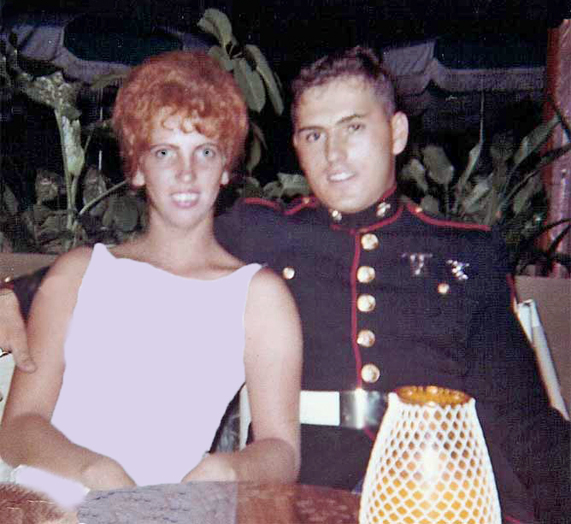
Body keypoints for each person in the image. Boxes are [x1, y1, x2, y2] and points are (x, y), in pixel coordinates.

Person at [1, 47, 568, 523]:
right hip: (315, 499)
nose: (335, 155)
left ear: (396, 132)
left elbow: (522, 419)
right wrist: (14, 291)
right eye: (314, 136)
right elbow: (148, 254)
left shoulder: (465, 253)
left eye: (353, 129)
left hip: (438, 492)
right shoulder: (264, 232)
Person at [0, 51, 302, 507]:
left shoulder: (257, 296)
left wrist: (226, 468)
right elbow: (20, 427)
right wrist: (94, 469)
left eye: (205, 152)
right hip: (41, 502)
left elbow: (282, 451)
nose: (187, 173)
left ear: (225, 170)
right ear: (138, 169)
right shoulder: (80, 273)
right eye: (165, 152)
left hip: (159, 510)